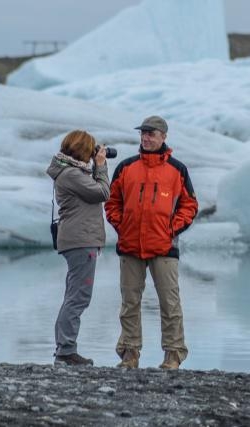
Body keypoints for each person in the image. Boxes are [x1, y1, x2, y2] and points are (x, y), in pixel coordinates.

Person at [105, 116, 198, 370]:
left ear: (163, 137)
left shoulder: (177, 170)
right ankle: (130, 353)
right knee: (130, 302)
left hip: (164, 246)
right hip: (130, 245)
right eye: (143, 133)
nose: (146, 138)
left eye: (151, 134)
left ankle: (173, 355)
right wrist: (121, 226)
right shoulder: (126, 167)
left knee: (169, 302)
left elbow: (190, 205)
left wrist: (172, 228)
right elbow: (112, 202)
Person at [46, 130, 110, 366]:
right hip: (81, 240)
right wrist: (101, 166)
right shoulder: (71, 174)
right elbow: (102, 192)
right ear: (84, 150)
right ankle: (66, 350)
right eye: (91, 149)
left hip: (78, 239)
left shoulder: (70, 171)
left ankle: (65, 348)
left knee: (73, 295)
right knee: (78, 297)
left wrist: (94, 167)